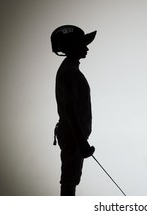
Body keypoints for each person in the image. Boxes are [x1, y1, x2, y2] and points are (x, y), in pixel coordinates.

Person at [51, 25, 97, 196]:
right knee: (69, 181)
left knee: (71, 179)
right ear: (72, 46)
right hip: (72, 136)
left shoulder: (70, 70)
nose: (86, 47)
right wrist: (81, 141)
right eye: (82, 44)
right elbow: (69, 109)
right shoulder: (70, 72)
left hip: (73, 136)